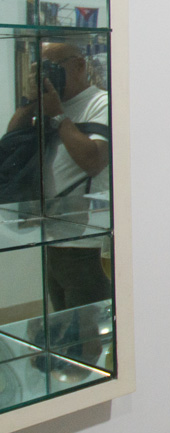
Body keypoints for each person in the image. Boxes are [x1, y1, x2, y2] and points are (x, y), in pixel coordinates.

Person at [6, 42, 111, 369]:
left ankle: (96, 375)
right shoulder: (49, 105)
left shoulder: (102, 103)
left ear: (79, 65)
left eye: (54, 68)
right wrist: (31, 102)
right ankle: (74, 371)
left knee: (85, 322)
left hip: (83, 231)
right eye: (42, 70)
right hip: (50, 227)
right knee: (63, 314)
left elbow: (93, 161)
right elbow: (11, 144)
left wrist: (59, 115)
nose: (48, 76)